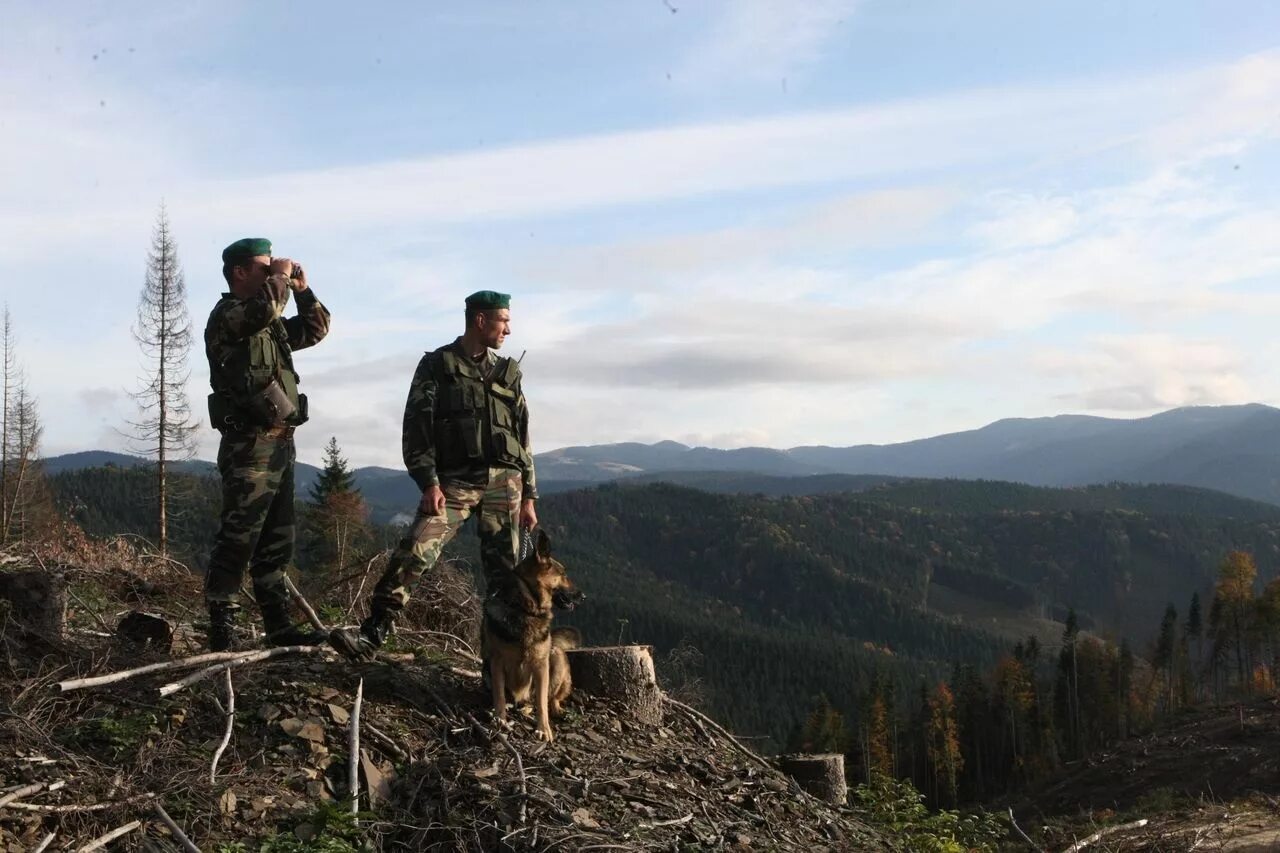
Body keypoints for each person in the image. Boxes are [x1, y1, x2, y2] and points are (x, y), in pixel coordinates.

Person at [331, 290, 538, 659]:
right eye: (503, 320)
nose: (509, 328)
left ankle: (499, 671)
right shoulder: (438, 365)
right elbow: (416, 428)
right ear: (480, 320)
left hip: (507, 486)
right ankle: (372, 634)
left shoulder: (510, 373)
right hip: (455, 482)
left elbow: (523, 436)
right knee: (415, 550)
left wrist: (530, 496)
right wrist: (428, 481)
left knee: (507, 581)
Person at [203, 237, 332, 651]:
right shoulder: (229, 316)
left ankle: (278, 626)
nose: (272, 271)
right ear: (240, 272)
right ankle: (221, 630)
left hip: (281, 443)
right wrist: (279, 279)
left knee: (277, 541)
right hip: (247, 444)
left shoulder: (269, 322)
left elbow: (316, 329)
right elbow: (262, 310)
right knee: (239, 537)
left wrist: (302, 289)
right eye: (263, 267)